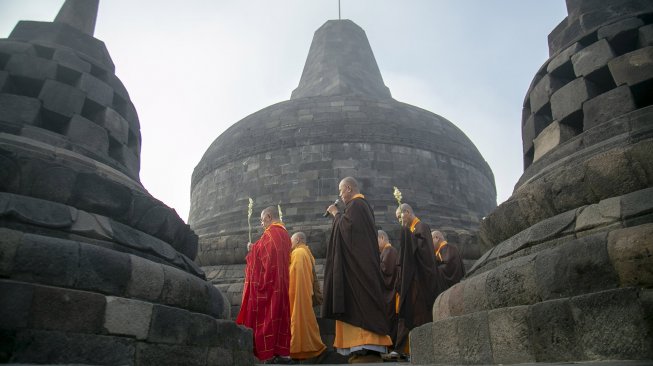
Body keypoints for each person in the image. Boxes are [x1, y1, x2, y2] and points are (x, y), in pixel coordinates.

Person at [323, 177, 392, 363]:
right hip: (360, 266)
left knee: (359, 303)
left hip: (359, 270)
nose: (339, 194)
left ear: (348, 188)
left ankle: (364, 344)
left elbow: (348, 229)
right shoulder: (360, 207)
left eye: (340, 190)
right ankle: (359, 346)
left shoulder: (357, 205)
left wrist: (336, 214)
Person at [236, 206, 292, 364]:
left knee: (267, 318)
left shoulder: (270, 234)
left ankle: (268, 354)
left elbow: (263, 256)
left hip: (270, 285)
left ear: (268, 216)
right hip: (282, 284)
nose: (261, 223)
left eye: (262, 220)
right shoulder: (285, 235)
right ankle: (281, 352)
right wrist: (255, 249)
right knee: (280, 318)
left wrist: (251, 249)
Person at [394, 203, 441, 358]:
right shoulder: (412, 229)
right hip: (413, 279)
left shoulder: (421, 227)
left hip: (420, 281)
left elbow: (424, 254)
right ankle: (404, 350)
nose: (400, 221)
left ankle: (421, 350)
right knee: (409, 314)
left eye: (400, 217)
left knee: (419, 314)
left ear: (407, 212)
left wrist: (406, 233)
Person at [289, 231, 327, 362]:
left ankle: (313, 348)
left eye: (291, 241)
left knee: (301, 322)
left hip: (299, 294)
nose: (290, 244)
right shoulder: (304, 253)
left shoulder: (299, 253)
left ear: (298, 240)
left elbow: (296, 276)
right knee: (306, 323)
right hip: (303, 294)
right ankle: (310, 350)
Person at [377, 230, 399, 347]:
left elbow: (386, 270)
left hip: (390, 293)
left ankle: (391, 346)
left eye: (376, 241)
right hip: (387, 293)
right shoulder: (385, 252)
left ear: (382, 238)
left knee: (390, 321)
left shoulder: (390, 251)